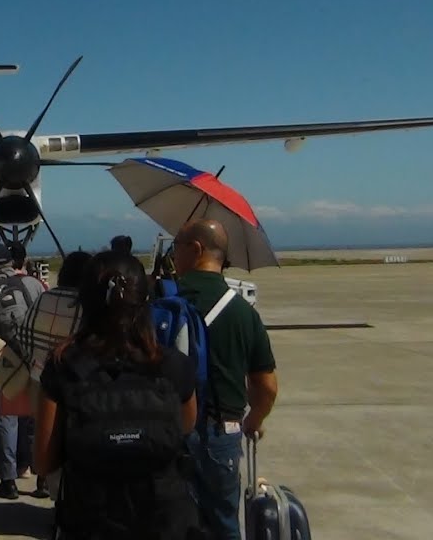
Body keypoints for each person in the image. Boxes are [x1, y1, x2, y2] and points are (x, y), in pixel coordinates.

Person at [34, 251, 204, 540]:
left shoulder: (65, 366)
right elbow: (185, 427)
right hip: (164, 521)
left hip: (91, 519)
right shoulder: (174, 365)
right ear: (144, 302)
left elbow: (43, 461)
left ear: (85, 302)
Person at [172, 219, 278, 540]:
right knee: (223, 523)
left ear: (196, 249)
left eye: (176, 248)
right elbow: (266, 386)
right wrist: (253, 421)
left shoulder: (163, 302)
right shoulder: (244, 313)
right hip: (222, 433)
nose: (172, 257)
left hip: (170, 431)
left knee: (172, 521)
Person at [18, 250, 92, 499]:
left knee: (43, 431)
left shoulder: (44, 298)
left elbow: (24, 335)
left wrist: (36, 361)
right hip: (76, 383)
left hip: (40, 378)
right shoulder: (87, 305)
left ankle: (43, 480)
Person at [0, 242, 44, 499]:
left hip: (5, 360)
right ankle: (42, 480)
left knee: (5, 419)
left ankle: (8, 480)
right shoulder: (34, 284)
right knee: (37, 417)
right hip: (36, 358)